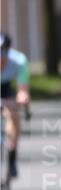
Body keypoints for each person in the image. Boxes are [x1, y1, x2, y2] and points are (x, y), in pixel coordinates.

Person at [0, 33, 31, 179]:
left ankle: (11, 159)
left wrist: (22, 98)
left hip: (6, 89)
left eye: (3, 52)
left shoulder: (19, 60)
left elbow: (22, 90)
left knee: (13, 116)